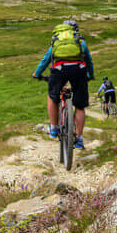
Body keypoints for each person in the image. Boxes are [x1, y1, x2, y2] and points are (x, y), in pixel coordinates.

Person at [33, 20, 94, 149]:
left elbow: (46, 59)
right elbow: (89, 60)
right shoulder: (80, 42)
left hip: (59, 70)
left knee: (52, 96)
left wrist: (37, 73)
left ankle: (54, 128)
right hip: (78, 70)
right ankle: (79, 139)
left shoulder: (56, 40)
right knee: (80, 106)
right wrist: (90, 75)